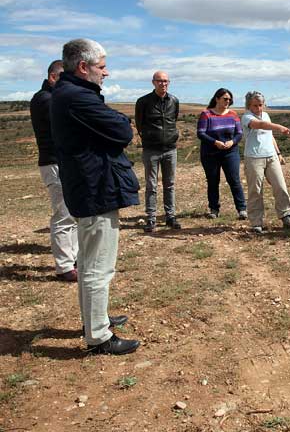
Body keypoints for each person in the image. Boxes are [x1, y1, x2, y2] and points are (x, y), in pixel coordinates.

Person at [51, 38, 140, 355]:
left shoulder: (69, 93)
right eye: (102, 67)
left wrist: (116, 122)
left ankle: (94, 320)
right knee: (98, 267)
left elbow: (115, 127)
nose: (107, 73)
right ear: (83, 67)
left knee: (89, 262)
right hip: (95, 189)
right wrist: (121, 122)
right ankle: (99, 336)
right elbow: (123, 131)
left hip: (89, 187)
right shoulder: (78, 98)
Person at [29, 60, 79, 281]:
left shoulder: (49, 98)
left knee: (72, 212)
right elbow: (67, 124)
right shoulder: (45, 100)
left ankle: (74, 258)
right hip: (54, 163)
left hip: (61, 161)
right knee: (63, 214)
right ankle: (65, 267)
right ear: (53, 78)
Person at [241, 91, 290, 233]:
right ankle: (256, 222)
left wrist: (278, 153)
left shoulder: (266, 115)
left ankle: (286, 215)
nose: (259, 108)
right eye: (255, 105)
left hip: (271, 155)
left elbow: (270, 135)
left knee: (280, 185)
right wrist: (279, 127)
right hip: (254, 157)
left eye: (261, 105)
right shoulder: (246, 117)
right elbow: (259, 125)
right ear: (249, 105)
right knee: (256, 190)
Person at [135, 71, 180, 232]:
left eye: (166, 81)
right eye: (160, 81)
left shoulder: (174, 101)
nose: (163, 84)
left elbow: (173, 119)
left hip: (170, 149)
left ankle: (170, 216)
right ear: (153, 82)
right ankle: (151, 218)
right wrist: (148, 137)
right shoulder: (143, 102)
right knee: (151, 185)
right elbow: (139, 124)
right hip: (151, 150)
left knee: (170, 184)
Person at [196, 88, 247, 220]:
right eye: (225, 98)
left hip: (230, 152)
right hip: (210, 153)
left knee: (234, 180)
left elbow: (239, 133)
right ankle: (214, 209)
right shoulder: (206, 114)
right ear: (217, 99)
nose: (227, 101)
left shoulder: (233, 115)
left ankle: (242, 209)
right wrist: (215, 142)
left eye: (230, 99)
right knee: (213, 181)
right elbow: (201, 133)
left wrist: (232, 142)